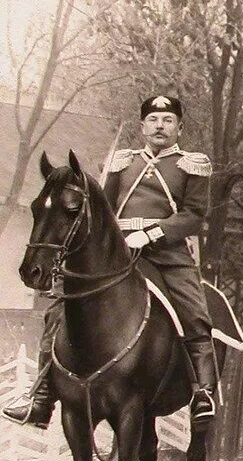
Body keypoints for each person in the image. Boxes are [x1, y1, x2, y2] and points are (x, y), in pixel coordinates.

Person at [5, 94, 220, 430]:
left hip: (167, 255)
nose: (159, 126)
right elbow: (101, 209)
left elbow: (193, 216)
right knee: (58, 309)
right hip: (117, 252)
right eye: (153, 120)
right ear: (143, 126)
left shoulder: (190, 164)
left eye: (167, 121)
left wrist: (151, 234)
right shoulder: (123, 162)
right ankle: (42, 397)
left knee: (193, 312)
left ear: (179, 127)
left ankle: (203, 392)